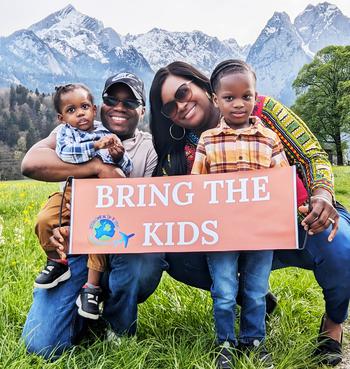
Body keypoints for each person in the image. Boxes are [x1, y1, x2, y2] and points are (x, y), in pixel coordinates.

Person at [149, 61, 350, 367]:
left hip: (294, 219)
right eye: (169, 107)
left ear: (203, 87)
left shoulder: (263, 113)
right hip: (224, 239)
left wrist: (321, 194)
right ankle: (248, 302)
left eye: (182, 92)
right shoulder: (183, 150)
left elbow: (311, 155)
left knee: (341, 245)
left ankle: (333, 325)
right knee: (173, 252)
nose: (180, 106)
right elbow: (172, 203)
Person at [21, 72, 168, 359]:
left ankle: (115, 319)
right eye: (112, 99)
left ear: (142, 110)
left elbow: (146, 211)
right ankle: (82, 308)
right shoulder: (73, 131)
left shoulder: (149, 148)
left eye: (130, 102)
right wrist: (97, 168)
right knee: (42, 345)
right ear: (100, 105)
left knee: (143, 260)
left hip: (120, 243)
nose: (119, 106)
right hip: (76, 245)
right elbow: (30, 163)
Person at [34, 83, 133, 321]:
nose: (80, 113)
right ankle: (57, 261)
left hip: (96, 197)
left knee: (96, 237)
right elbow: (67, 153)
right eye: (71, 110)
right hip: (70, 191)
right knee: (45, 219)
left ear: (94, 109)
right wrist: (96, 147)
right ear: (61, 117)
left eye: (85, 107)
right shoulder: (64, 134)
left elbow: (124, 168)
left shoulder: (104, 131)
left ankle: (91, 288)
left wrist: (119, 155)